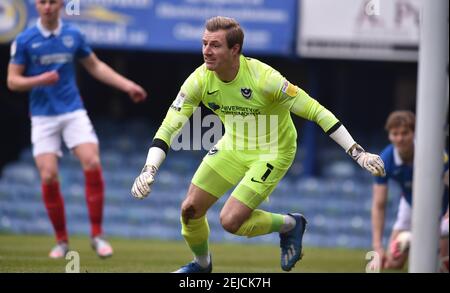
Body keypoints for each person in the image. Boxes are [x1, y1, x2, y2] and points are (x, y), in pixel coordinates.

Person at [131, 16, 384, 273]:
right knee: (190, 210)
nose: (207, 51)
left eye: (215, 45)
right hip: (233, 146)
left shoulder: (265, 79)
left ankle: (290, 224)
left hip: (274, 152)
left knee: (230, 221)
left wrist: (357, 153)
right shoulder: (199, 80)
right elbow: (170, 125)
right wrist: (149, 168)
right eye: (204, 43)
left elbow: (316, 111)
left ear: (235, 50)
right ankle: (202, 265)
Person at [7, 0, 147, 259]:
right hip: (42, 117)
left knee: (92, 161)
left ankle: (97, 235)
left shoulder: (74, 35)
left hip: (72, 111)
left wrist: (127, 85)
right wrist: (39, 80)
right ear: (36, 5)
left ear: (61, 4)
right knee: (48, 176)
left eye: (52, 2)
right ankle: (61, 241)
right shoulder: (25, 40)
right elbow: (12, 81)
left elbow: (95, 66)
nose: (47, 7)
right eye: (42, 2)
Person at [371, 110, 449, 271]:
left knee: (441, 264)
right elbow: (379, 204)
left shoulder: (434, 153)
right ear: (389, 136)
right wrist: (378, 246)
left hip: (442, 206)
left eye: (405, 133)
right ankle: (410, 239)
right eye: (395, 134)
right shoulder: (385, 160)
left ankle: (411, 239)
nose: (400, 138)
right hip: (410, 203)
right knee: (393, 262)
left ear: (414, 133)